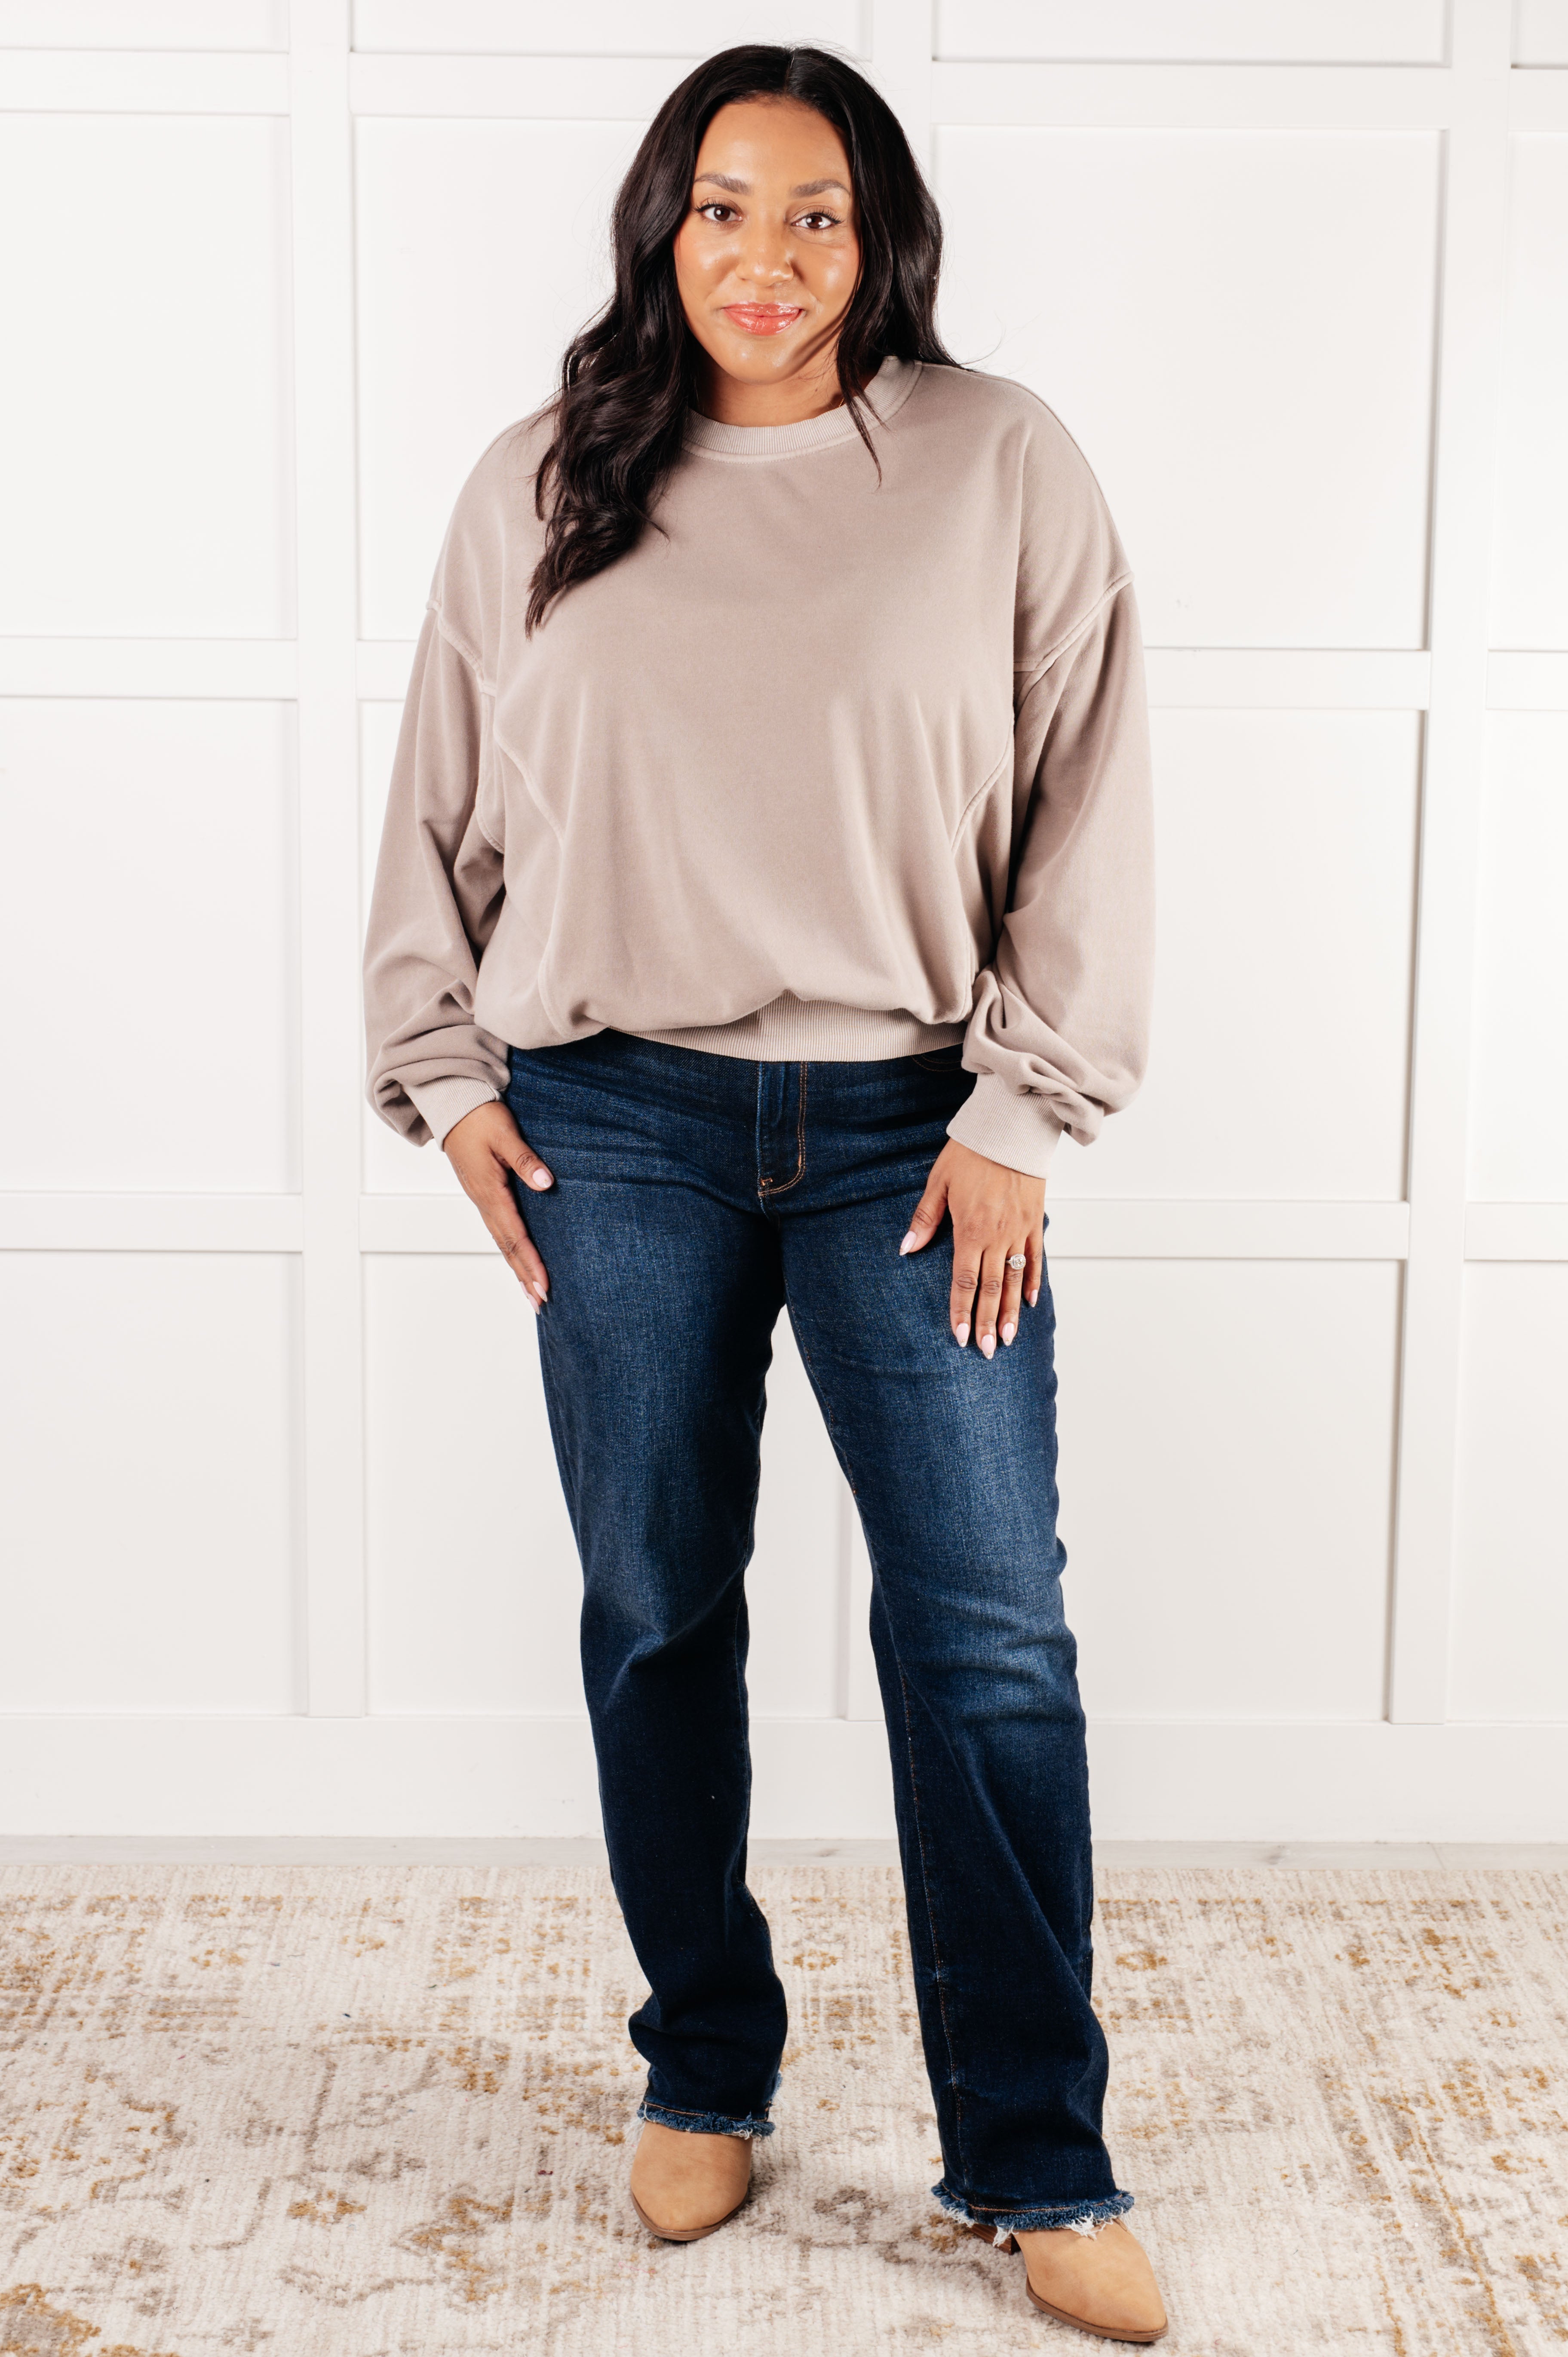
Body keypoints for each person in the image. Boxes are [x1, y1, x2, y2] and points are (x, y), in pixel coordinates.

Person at [362, 43, 1164, 2345]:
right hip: (612, 1121)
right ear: (664, 222)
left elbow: (1092, 791)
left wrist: (1027, 1114)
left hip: (922, 1134)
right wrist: (441, 1071)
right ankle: (705, 2060)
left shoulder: (996, 462)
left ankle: (1037, 2152)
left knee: (989, 1633)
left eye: (820, 213)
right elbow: (437, 792)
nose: (771, 258)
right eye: (728, 207)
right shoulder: (546, 474)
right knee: (655, 1608)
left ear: (881, 237)